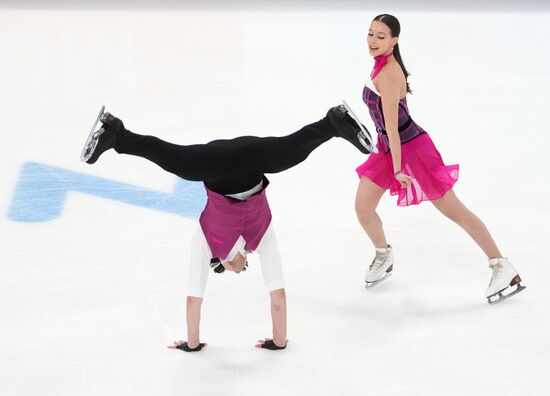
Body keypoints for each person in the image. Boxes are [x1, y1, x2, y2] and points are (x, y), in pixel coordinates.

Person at [81, 104, 372, 351]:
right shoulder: (259, 239)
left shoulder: (209, 241)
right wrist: (278, 341)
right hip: (250, 158)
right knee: (287, 152)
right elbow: (277, 299)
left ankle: (118, 135)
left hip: (215, 163)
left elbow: (196, 298)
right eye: (243, 269)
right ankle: (332, 123)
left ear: (220, 263)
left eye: (235, 269)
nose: (239, 268)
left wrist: (192, 344)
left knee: (174, 159)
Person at [354, 14, 525, 303]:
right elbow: (386, 123)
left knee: (453, 210)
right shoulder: (380, 65)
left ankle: (501, 265)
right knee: (363, 208)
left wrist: (397, 169)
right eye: (370, 34)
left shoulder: (389, 72)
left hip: (412, 150)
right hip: (388, 148)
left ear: (394, 41)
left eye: (380, 37)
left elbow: (394, 129)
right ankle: (384, 254)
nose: (372, 41)